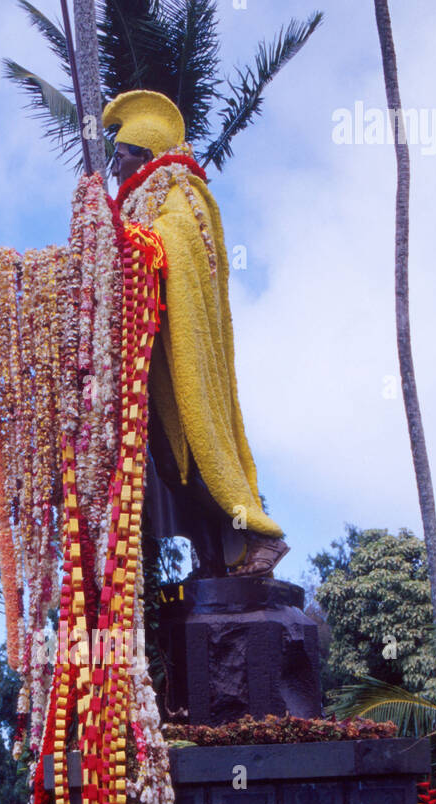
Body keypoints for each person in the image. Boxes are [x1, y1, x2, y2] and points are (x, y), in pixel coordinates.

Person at [105, 90, 289, 578]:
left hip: (184, 356)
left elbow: (175, 246)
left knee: (205, 455)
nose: (115, 166)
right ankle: (211, 558)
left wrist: (127, 238)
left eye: (121, 156)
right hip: (152, 362)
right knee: (170, 466)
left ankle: (262, 540)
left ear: (144, 155)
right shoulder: (132, 208)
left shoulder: (181, 192)